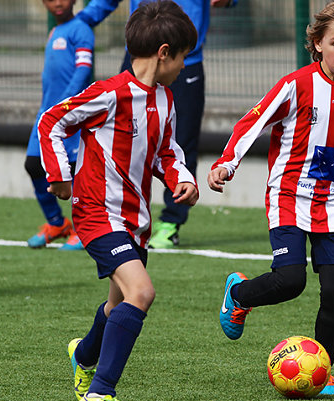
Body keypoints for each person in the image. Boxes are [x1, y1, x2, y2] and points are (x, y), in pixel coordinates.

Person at [208, 0, 334, 396]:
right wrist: (226, 165)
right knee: (291, 281)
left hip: (333, 203)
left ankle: (324, 369)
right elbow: (254, 121)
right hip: (288, 196)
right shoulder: (296, 84)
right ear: (317, 44)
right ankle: (238, 293)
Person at [38, 0, 198, 401]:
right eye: (184, 56)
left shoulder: (165, 100)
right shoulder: (110, 93)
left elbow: (167, 150)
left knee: (116, 305)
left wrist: (181, 179)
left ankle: (84, 357)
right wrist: (60, 176)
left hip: (135, 220)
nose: (185, 66)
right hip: (95, 213)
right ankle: (99, 395)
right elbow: (52, 120)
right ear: (164, 52)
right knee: (141, 292)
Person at [77, 0, 237, 249]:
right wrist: (79, 23)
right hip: (141, 56)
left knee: (179, 140)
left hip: (185, 60)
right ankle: (104, 220)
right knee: (115, 138)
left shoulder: (181, 61)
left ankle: (170, 222)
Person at [25, 0, 94, 250]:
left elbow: (82, 71)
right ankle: (56, 223)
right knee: (33, 165)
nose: (57, 2)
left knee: (77, 172)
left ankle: (84, 229)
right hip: (46, 115)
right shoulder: (53, 31)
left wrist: (65, 106)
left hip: (68, 115)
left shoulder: (81, 29)